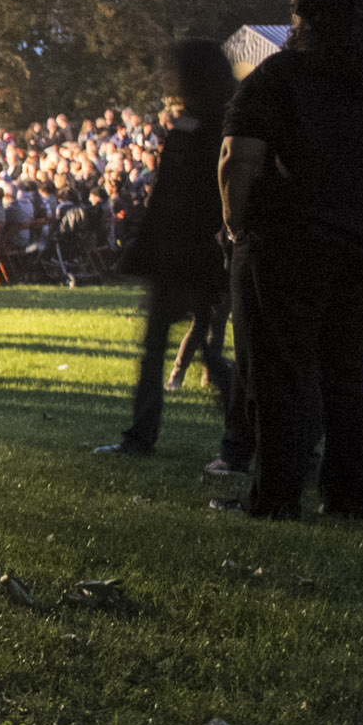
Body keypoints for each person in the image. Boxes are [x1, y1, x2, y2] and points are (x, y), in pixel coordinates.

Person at [220, 0, 363, 519]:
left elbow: (238, 158)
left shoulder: (281, 77)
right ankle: (351, 495)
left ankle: (276, 496)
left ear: (302, 15)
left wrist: (236, 226)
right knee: (350, 375)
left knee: (280, 373)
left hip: (286, 240)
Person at [95, 39, 237, 458]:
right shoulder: (216, 125)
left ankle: (145, 436)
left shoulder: (194, 131)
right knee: (207, 350)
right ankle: (244, 436)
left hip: (181, 253)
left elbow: (174, 198)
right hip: (198, 253)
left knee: (175, 350)